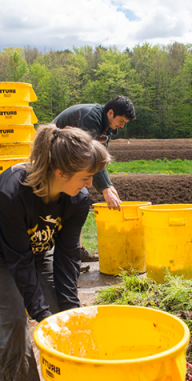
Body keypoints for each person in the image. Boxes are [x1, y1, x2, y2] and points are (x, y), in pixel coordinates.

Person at [0, 124, 111, 381]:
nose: (90, 184)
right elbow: (18, 262)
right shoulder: (10, 192)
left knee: (67, 316)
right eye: (86, 177)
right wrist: (40, 314)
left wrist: (68, 312)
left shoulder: (77, 199)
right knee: (13, 322)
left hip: (38, 250)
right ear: (60, 173)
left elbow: (66, 258)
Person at [52, 96, 136, 262]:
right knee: (74, 200)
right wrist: (105, 189)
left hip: (68, 158)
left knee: (78, 200)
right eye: (121, 120)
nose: (122, 125)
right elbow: (89, 156)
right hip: (53, 156)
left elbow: (99, 158)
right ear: (110, 112)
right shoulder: (90, 119)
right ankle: (68, 254)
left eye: (125, 122)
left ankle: (74, 251)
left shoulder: (106, 125)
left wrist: (109, 185)